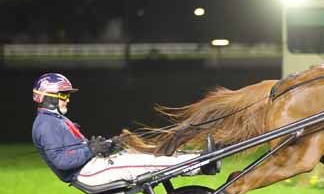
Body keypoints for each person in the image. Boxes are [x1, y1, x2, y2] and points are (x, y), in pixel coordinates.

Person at [31, 73, 214, 188]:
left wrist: (107, 146)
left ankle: (198, 159)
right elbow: (62, 161)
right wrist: (91, 149)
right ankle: (200, 163)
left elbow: (73, 151)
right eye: (64, 95)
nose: (67, 100)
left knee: (143, 156)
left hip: (91, 166)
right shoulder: (45, 124)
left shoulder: (54, 120)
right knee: (143, 163)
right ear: (47, 97)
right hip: (86, 174)